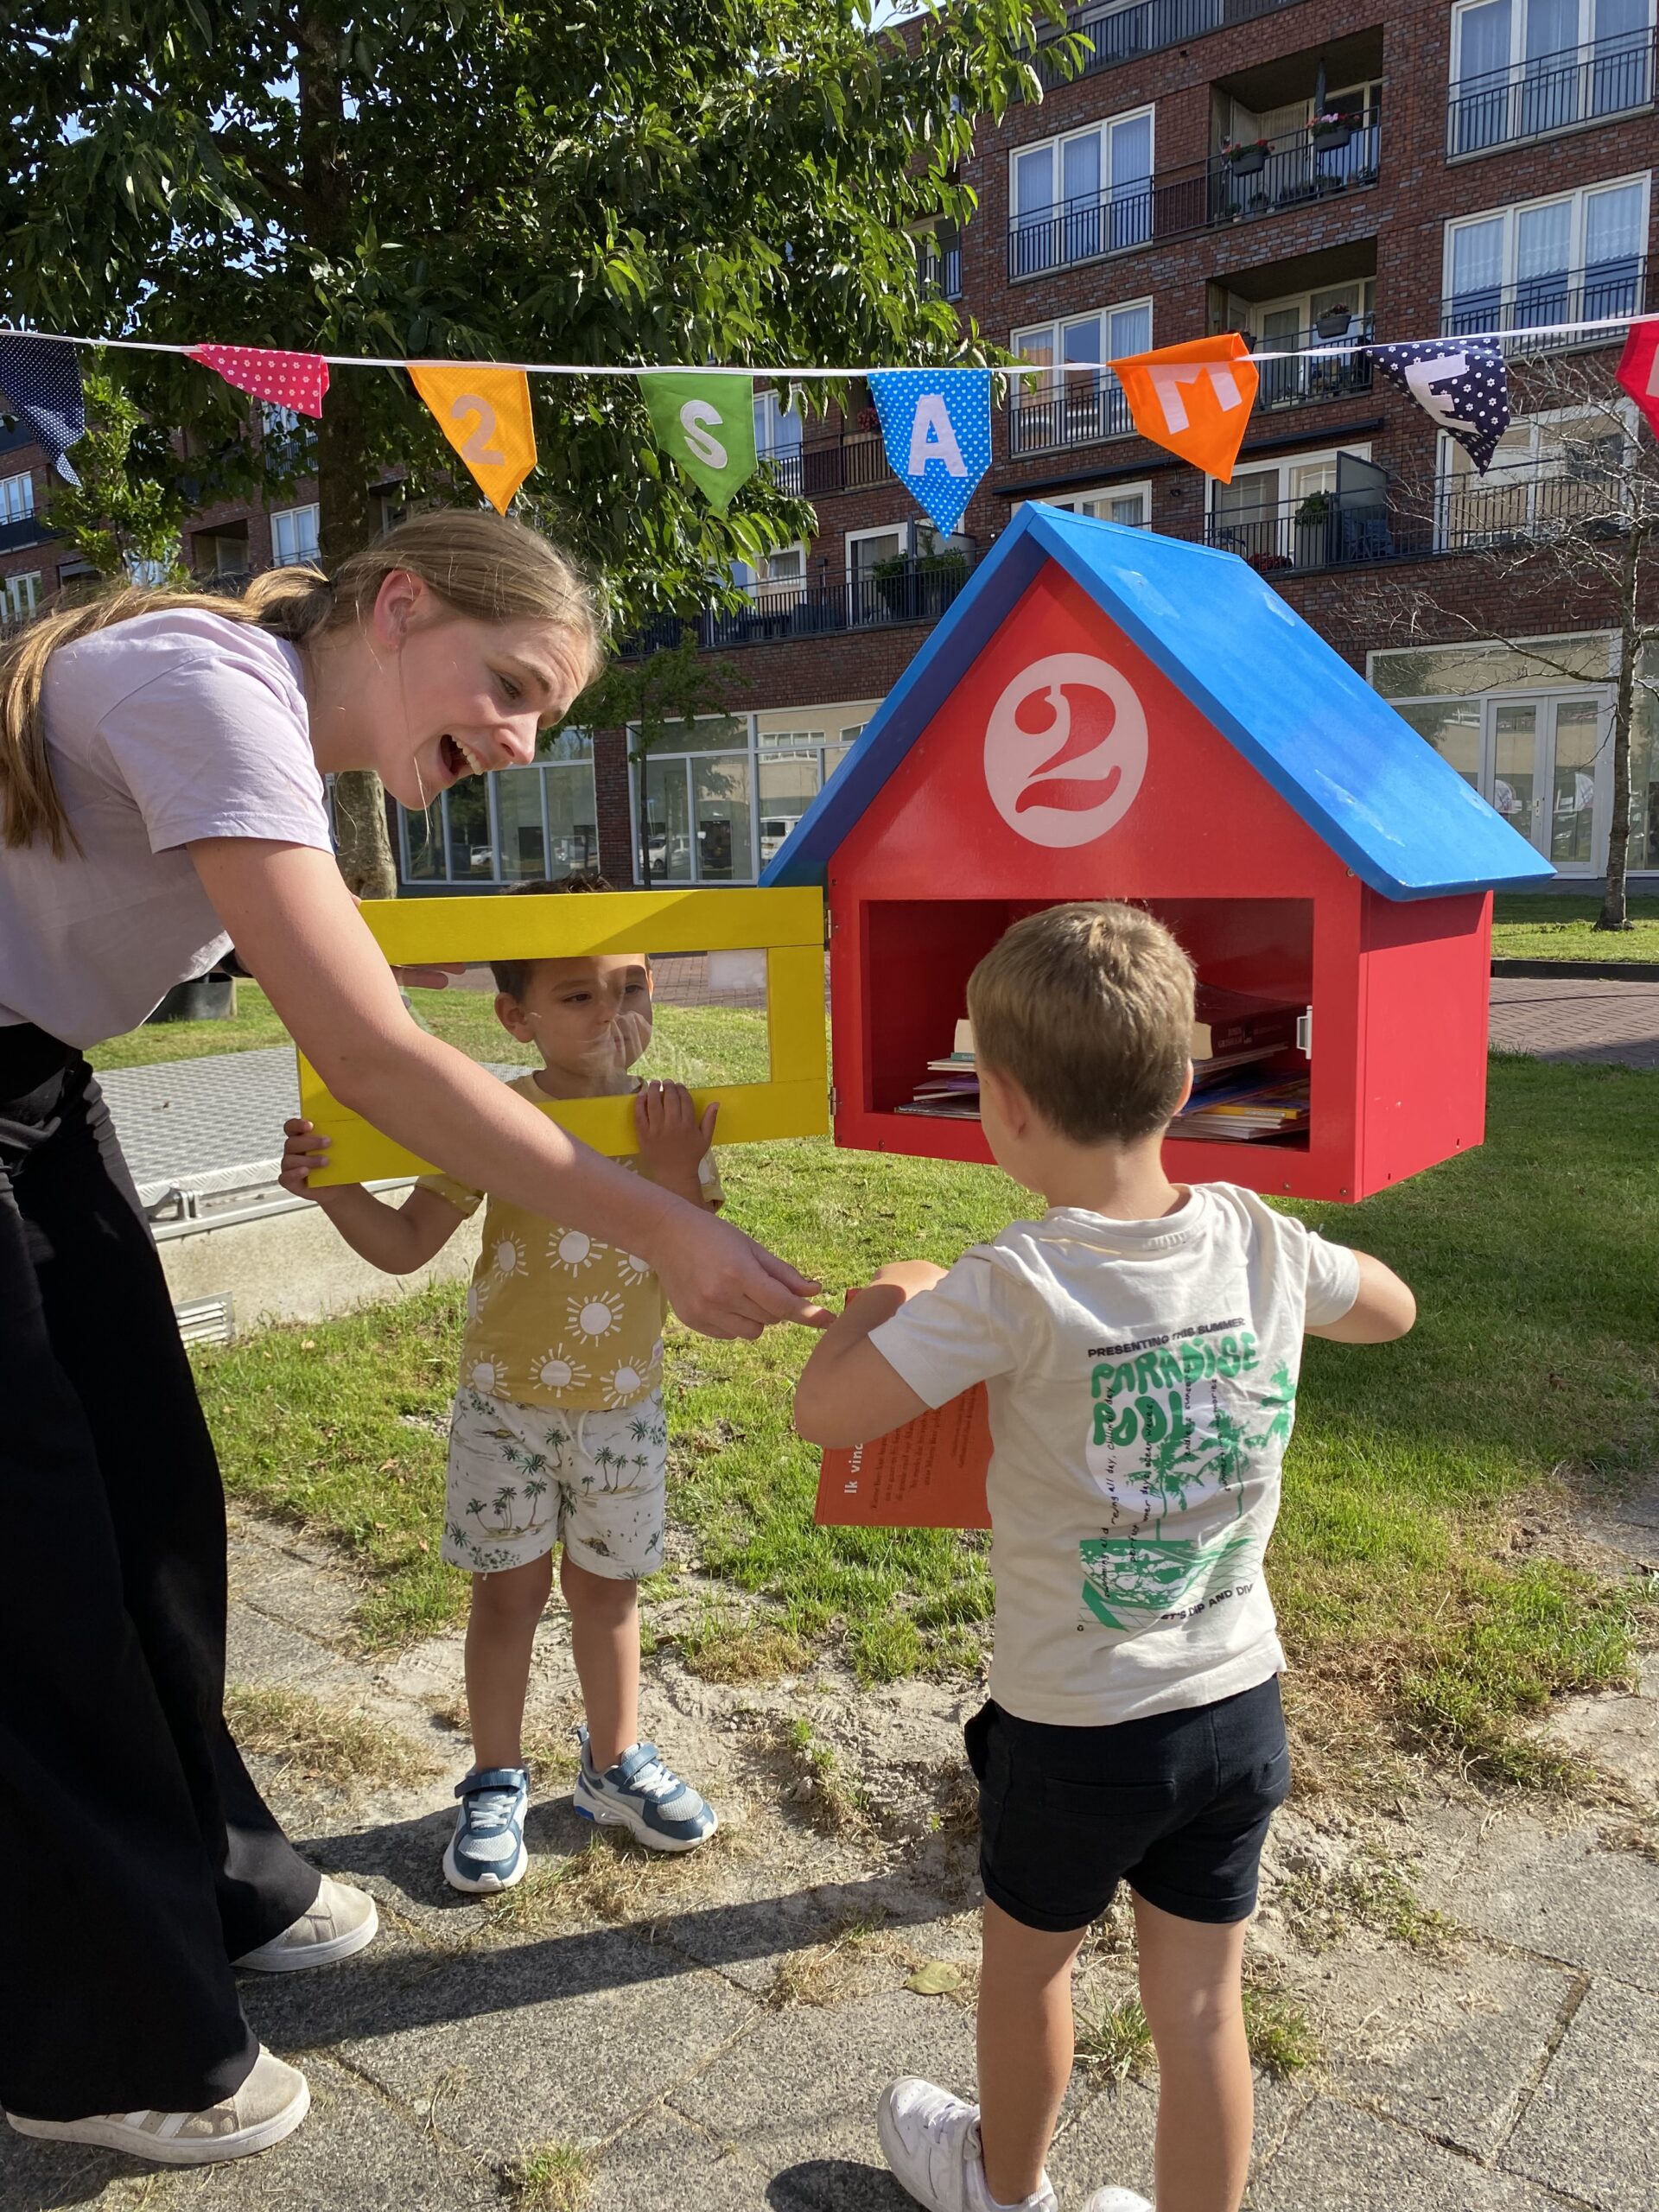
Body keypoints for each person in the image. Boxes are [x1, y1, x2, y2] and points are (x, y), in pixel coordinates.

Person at [0, 513, 823, 2168]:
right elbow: (378, 1055)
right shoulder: (207, 684)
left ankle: (214, 1878)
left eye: (546, 717)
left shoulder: (274, 758)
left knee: (155, 1504)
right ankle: (86, 2036)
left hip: (35, 1088)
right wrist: (661, 1217)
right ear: (397, 609)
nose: (519, 739)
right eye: (510, 686)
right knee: (33, 1569)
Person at [794, 903, 1415, 2212]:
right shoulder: (1258, 1236)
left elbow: (827, 1413)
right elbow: (1394, 1310)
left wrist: (877, 1302)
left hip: (1076, 1728)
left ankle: (999, 2188)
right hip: (1236, 1704)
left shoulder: (1013, 1281)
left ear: (999, 1105)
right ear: (1187, 1081)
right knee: (1200, 2015)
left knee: (1029, 1968)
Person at [278, 874, 721, 1892]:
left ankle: (615, 1764)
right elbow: (403, 1245)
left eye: (633, 986)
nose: (615, 1014)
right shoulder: (490, 1115)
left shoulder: (674, 1121)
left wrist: (671, 1168)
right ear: (514, 1017)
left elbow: (701, 1273)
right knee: (507, 1598)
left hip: (624, 1410)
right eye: (579, 995)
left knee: (609, 1597)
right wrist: (334, 1186)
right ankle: (494, 1776)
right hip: (505, 1410)